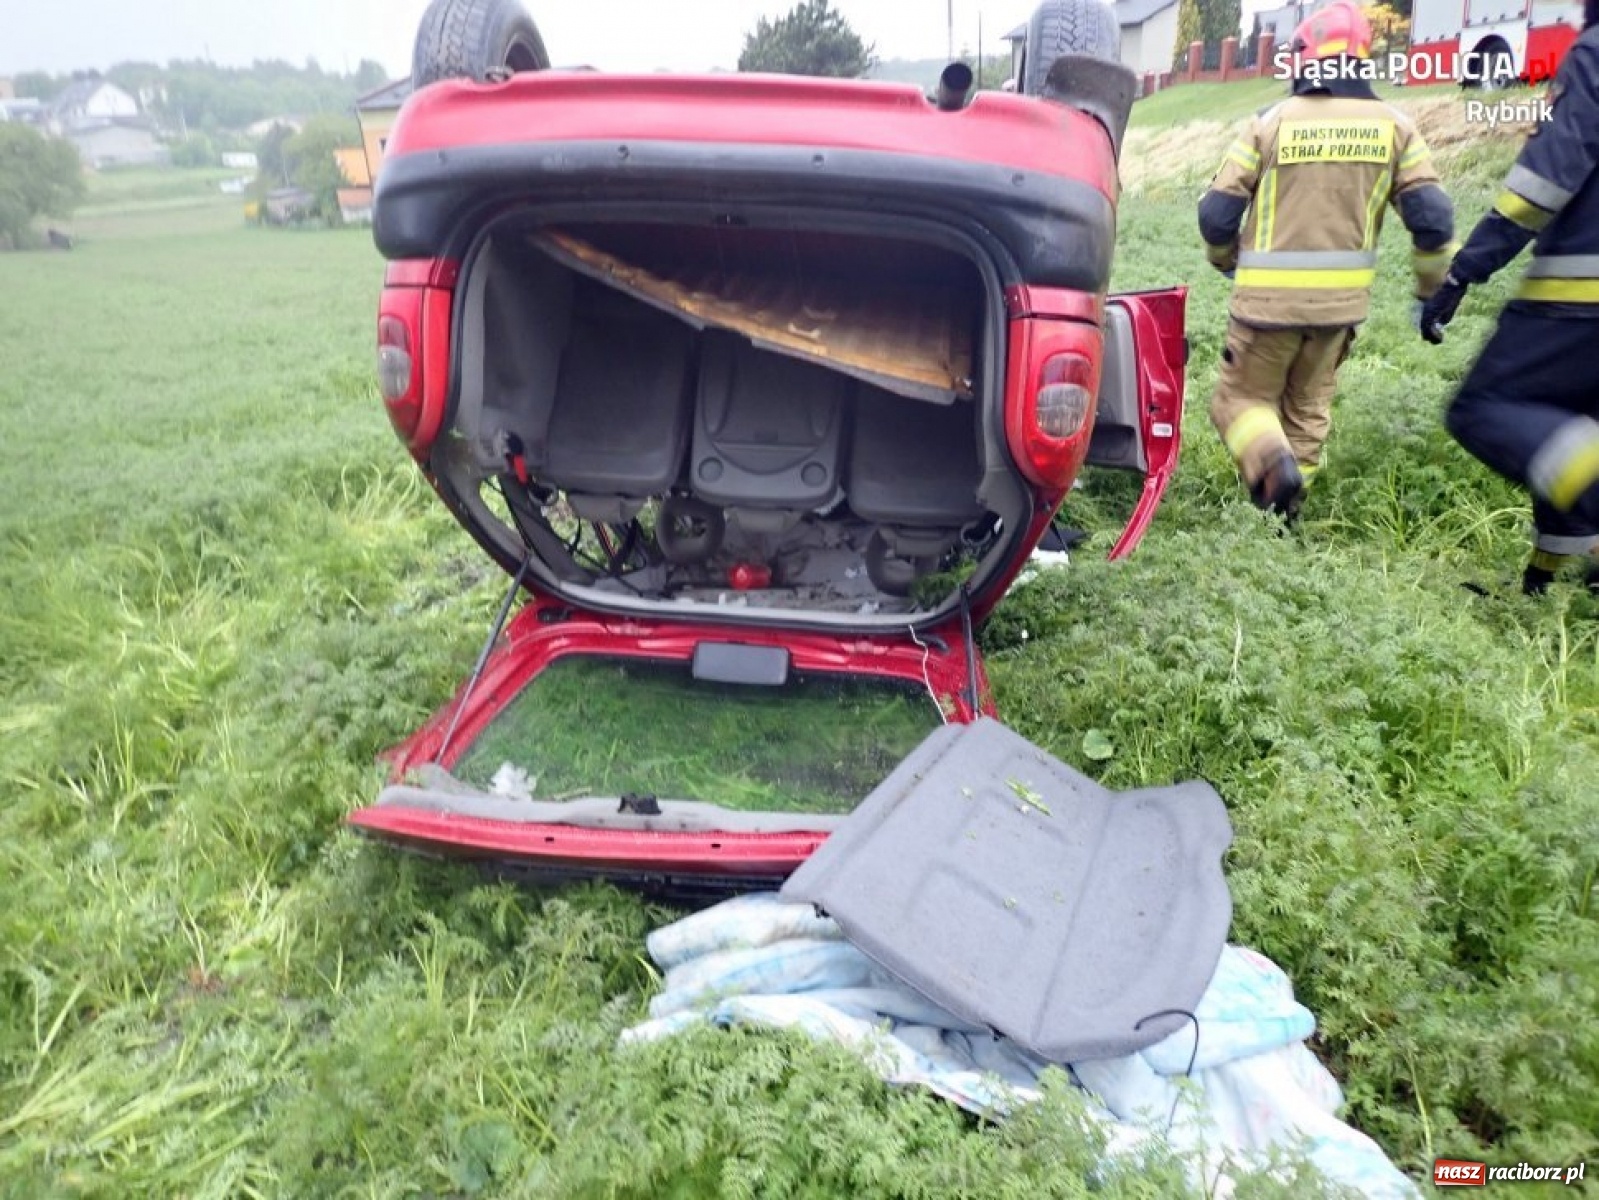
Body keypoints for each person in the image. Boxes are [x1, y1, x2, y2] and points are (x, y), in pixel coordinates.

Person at [1199, 0, 1456, 517]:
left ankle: (1274, 468)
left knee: (1239, 402)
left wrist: (1225, 260)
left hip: (1265, 309)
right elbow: (1433, 220)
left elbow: (1216, 214)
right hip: (1338, 313)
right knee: (1307, 411)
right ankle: (1285, 520)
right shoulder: (1397, 128)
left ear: (1306, 54)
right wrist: (1430, 293)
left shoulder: (1270, 123)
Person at [1420, 1, 1599, 595]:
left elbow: (1541, 184)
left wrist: (1465, 270)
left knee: (1482, 408)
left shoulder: (1595, 54)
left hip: (1578, 296)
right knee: (1574, 428)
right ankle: (1542, 588)